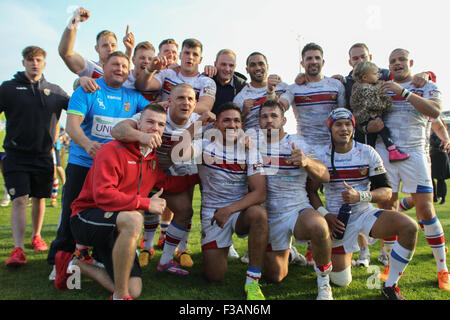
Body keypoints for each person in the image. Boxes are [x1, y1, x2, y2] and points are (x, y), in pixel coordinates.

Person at [54, 104, 192, 299]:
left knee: (134, 290)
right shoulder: (112, 149)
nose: (155, 128)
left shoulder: (151, 158)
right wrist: (145, 203)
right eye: (150, 122)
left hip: (118, 228)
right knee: (134, 218)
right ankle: (119, 295)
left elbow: (167, 182)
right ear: (138, 124)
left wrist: (202, 176)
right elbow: (103, 195)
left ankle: (78, 265)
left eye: (160, 124)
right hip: (86, 218)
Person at [47, 51, 150, 275]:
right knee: (71, 213)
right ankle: (59, 262)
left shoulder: (133, 96)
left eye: (124, 66)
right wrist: (87, 144)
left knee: (108, 213)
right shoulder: (87, 90)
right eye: (115, 64)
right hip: (83, 162)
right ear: (103, 65)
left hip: (114, 169)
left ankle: (100, 257)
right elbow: (72, 126)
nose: (120, 69)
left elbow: (155, 112)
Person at [308, 108, 419, 300]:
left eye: (348, 124)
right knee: (342, 280)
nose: (344, 128)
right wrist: (326, 215)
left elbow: (385, 191)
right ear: (330, 128)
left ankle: (390, 285)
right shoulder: (321, 155)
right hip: (337, 220)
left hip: (365, 212)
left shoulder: (367, 152)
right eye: (338, 124)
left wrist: (361, 196)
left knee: (409, 227)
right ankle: (343, 254)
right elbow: (311, 192)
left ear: (353, 127)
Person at [112, 83, 215, 271]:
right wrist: (140, 136)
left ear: (195, 104)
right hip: (142, 170)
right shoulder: (157, 115)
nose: (186, 102)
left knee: (184, 210)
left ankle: (167, 259)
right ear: (170, 101)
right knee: (136, 211)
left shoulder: (200, 123)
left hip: (174, 171)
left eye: (190, 99)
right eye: (180, 98)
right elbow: (117, 130)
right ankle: (139, 248)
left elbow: (177, 155)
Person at [376, 48, 449, 291]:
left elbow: (435, 111)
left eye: (401, 60)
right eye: (392, 61)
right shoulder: (381, 84)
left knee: (425, 210)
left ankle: (442, 269)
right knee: (388, 209)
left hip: (415, 153)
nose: (397, 64)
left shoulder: (424, 85)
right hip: (384, 153)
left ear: (411, 62)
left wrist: (404, 91)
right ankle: (388, 261)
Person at [1, 46, 70, 267]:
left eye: (38, 60)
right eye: (30, 60)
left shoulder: (55, 91)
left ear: (44, 63)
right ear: (23, 62)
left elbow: (78, 109)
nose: (34, 63)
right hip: (15, 155)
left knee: (41, 198)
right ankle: (18, 249)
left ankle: (36, 236)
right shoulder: (9, 88)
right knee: (20, 199)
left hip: (44, 156)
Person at [257, 100, 333, 300]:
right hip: (270, 215)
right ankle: (289, 253)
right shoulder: (254, 144)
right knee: (275, 276)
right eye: (264, 117)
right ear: (259, 122)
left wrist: (307, 162)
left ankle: (324, 283)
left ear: (283, 120)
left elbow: (324, 175)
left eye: (273, 116)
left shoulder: (298, 143)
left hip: (297, 208)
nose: (268, 121)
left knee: (319, 227)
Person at [279, 43, 346, 146]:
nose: (314, 61)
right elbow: (279, 106)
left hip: (332, 146)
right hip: (305, 148)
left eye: (317, 58)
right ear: (302, 63)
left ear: (323, 62)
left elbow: (344, 117)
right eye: (309, 58)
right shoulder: (294, 88)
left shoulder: (336, 85)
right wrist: (271, 90)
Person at [135, 38, 216, 114]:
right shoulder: (168, 73)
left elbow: (205, 107)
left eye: (195, 54)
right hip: (162, 124)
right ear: (180, 55)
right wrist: (150, 69)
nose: (190, 57)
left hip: (190, 127)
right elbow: (142, 86)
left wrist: (171, 105)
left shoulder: (207, 82)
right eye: (187, 53)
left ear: (200, 60)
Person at [350, 61, 409, 162]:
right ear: (365, 77)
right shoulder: (364, 88)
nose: (378, 75)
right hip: (367, 118)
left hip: (368, 116)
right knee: (383, 132)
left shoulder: (362, 86)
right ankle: (392, 151)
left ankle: (392, 151)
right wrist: (387, 102)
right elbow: (373, 104)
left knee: (383, 132)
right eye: (375, 74)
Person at [233, 52, 286, 132]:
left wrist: (302, 78)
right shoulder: (240, 97)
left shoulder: (280, 87)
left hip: (276, 140)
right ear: (247, 70)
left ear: (267, 67)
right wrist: (243, 114)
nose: (258, 68)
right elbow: (233, 130)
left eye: (261, 64)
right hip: (252, 142)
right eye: (253, 65)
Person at [211, 49, 247, 115]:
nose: (227, 69)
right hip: (204, 124)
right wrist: (197, 125)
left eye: (231, 65)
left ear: (235, 67)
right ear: (215, 64)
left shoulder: (243, 87)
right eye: (223, 64)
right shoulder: (205, 81)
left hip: (231, 124)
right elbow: (197, 113)